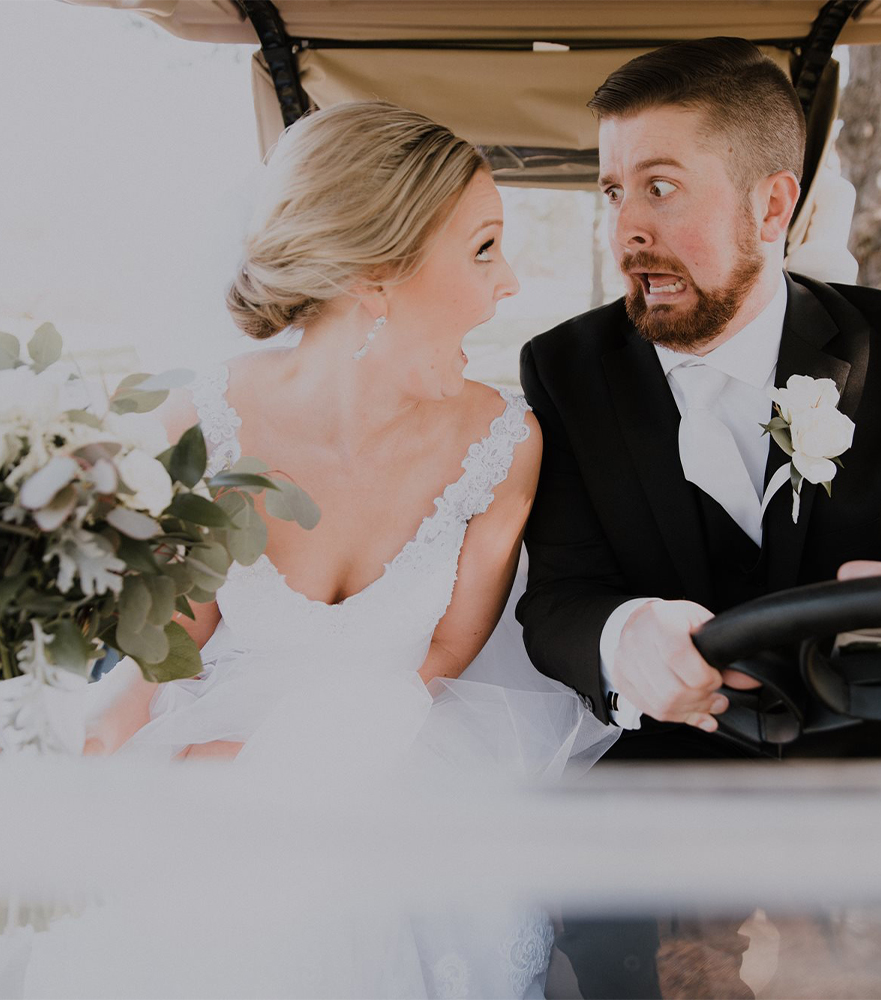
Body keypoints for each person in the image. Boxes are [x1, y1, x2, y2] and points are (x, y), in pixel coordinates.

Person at [21, 100, 616, 999]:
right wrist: (117, 723)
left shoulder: (505, 443)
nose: (509, 284)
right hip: (212, 741)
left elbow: (447, 652)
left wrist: (299, 765)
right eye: (484, 248)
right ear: (377, 273)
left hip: (403, 748)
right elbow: (177, 634)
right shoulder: (202, 422)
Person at [516, 37, 881, 998]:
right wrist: (624, 637)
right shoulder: (563, 371)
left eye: (660, 188)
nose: (626, 229)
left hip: (873, 736)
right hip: (665, 757)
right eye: (613, 192)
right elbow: (560, 599)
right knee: (601, 905)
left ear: (771, 206)